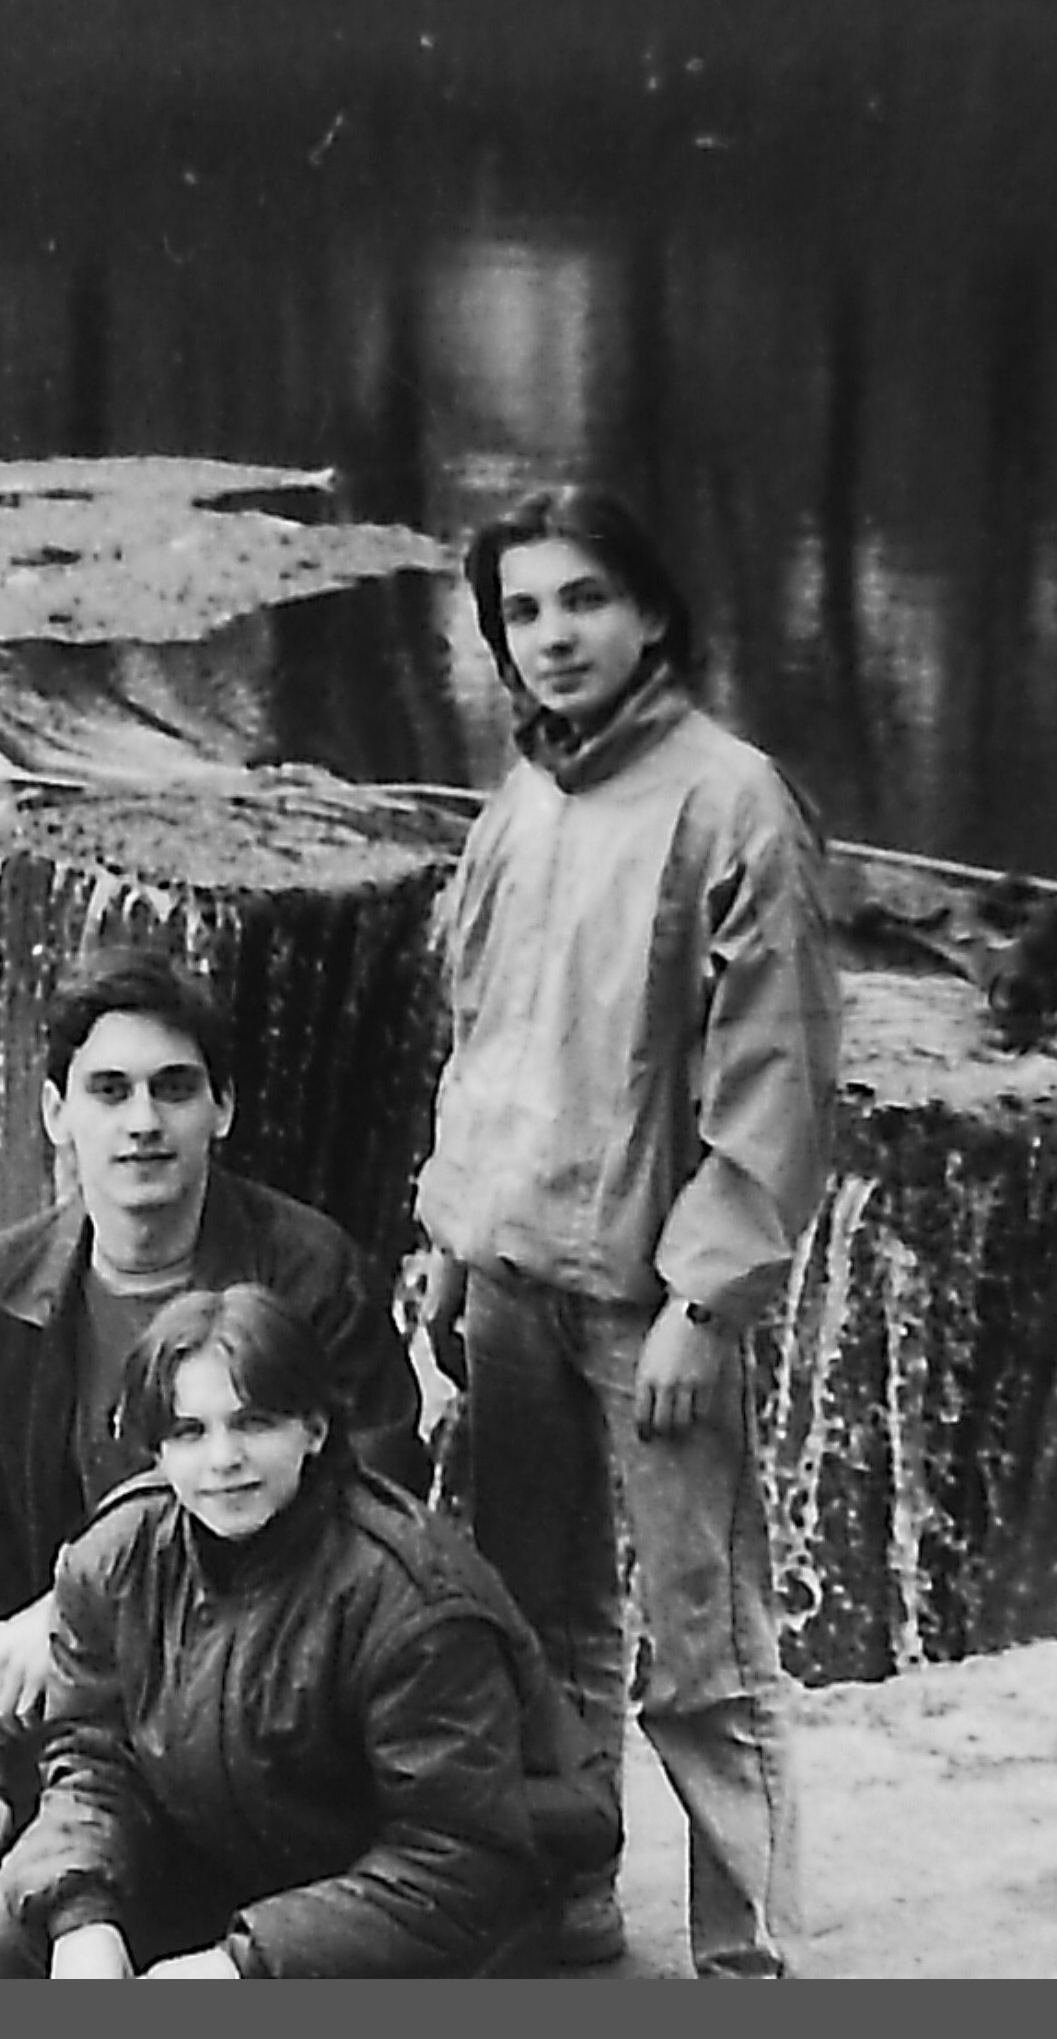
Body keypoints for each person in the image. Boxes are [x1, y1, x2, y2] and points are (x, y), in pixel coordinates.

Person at [407, 483, 844, 1979]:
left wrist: (706, 1301)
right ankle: (570, 1894)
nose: (552, 637)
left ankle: (745, 1959)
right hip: (513, 1279)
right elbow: (484, 1043)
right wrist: (448, 1238)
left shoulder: (733, 803)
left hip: (650, 1303)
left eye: (583, 600)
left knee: (706, 1647)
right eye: (522, 612)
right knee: (537, 1625)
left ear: (652, 611)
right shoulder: (522, 806)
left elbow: (773, 1074)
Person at [0, 947, 423, 1979]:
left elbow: (373, 1503)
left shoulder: (313, 1279)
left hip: (277, 1739)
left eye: (175, 1087)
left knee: (8, 1931)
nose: (142, 1121)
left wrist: (71, 1602)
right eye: (108, 1090)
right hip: (90, 1738)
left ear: (226, 1109)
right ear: (53, 1111)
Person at [0, 1284, 620, 1979]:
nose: (223, 1460)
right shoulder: (117, 1556)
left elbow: (457, 1858)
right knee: (6, 1925)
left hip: (434, 1902)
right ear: (156, 1448)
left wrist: (241, 1964)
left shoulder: (410, 1600)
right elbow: (91, 1759)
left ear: (315, 1429)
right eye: (190, 1432)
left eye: (255, 1423)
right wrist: (82, 1916)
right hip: (244, 1862)